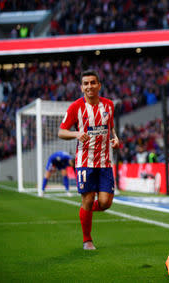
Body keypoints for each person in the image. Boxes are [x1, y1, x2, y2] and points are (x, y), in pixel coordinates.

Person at [58, 70, 120, 250]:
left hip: (105, 162)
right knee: (88, 198)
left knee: (105, 203)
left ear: (99, 85)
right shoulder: (75, 107)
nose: (89, 86)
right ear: (81, 87)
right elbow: (61, 132)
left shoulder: (109, 105)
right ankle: (87, 240)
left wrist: (115, 138)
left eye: (93, 82)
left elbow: (111, 127)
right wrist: (77, 133)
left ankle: (84, 212)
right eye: (86, 83)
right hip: (85, 162)